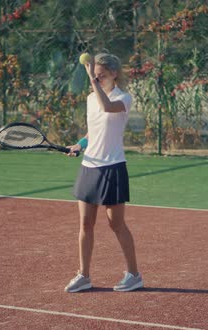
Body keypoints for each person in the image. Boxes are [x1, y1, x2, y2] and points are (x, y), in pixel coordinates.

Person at [64, 53, 143, 293]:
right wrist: (80, 144)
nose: (98, 79)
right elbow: (93, 131)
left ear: (114, 74)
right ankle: (84, 275)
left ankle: (134, 274)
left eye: (102, 75)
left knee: (116, 224)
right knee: (85, 225)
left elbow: (107, 108)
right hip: (90, 166)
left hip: (113, 167)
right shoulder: (90, 99)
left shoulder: (123, 99)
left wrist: (91, 80)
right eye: (96, 75)